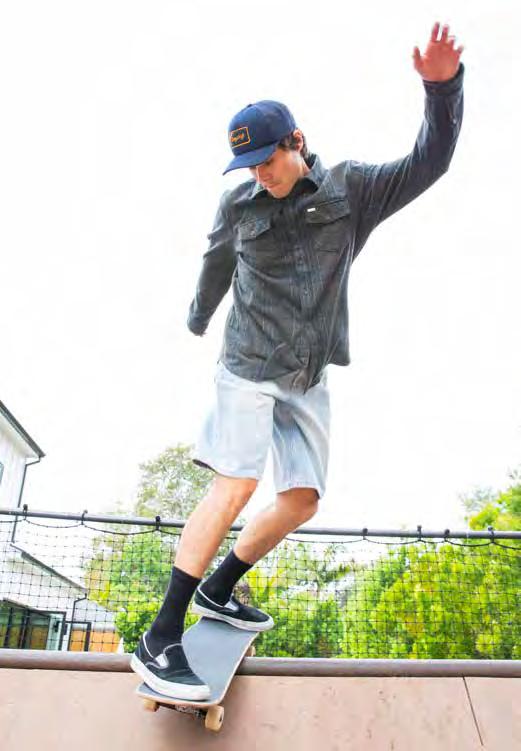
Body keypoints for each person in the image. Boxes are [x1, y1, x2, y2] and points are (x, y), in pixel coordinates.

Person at [130, 21, 465, 699]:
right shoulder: (238, 203)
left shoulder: (351, 190)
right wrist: (197, 316)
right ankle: (160, 635)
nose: (260, 174)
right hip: (247, 365)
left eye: (267, 161)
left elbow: (428, 162)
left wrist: (442, 90)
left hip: (308, 372)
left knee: (303, 499)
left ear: (297, 142)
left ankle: (220, 588)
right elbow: (215, 264)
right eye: (249, 166)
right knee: (236, 485)